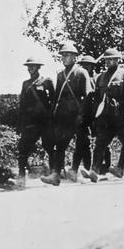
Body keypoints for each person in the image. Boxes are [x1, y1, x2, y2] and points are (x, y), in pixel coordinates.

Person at [41, 42, 94, 186]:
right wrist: (53, 114)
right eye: (63, 55)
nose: (64, 58)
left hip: (78, 116)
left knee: (82, 143)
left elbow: (88, 96)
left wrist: (82, 115)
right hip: (63, 116)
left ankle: (76, 169)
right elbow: (56, 97)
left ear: (74, 57)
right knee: (60, 145)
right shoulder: (60, 75)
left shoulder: (81, 72)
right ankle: (56, 175)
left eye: (67, 55)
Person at [88, 48, 124, 181]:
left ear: (117, 60)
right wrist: (96, 117)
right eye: (107, 60)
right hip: (106, 118)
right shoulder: (101, 77)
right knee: (100, 144)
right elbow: (97, 99)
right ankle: (95, 170)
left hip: (121, 116)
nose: (109, 62)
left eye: (112, 59)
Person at [15, 57, 55, 189]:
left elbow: (54, 102)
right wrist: (19, 124)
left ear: (38, 67)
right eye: (28, 66)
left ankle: (54, 174)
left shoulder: (47, 81)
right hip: (30, 122)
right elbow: (22, 105)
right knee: (23, 148)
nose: (29, 69)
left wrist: (53, 118)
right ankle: (21, 176)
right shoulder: (25, 84)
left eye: (32, 66)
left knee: (50, 147)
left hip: (45, 121)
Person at [72, 54, 98, 178]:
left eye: (88, 65)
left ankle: (102, 168)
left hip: (95, 114)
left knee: (100, 142)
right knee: (82, 142)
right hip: (83, 113)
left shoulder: (98, 78)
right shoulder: (79, 78)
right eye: (83, 65)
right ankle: (77, 169)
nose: (86, 68)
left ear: (93, 67)